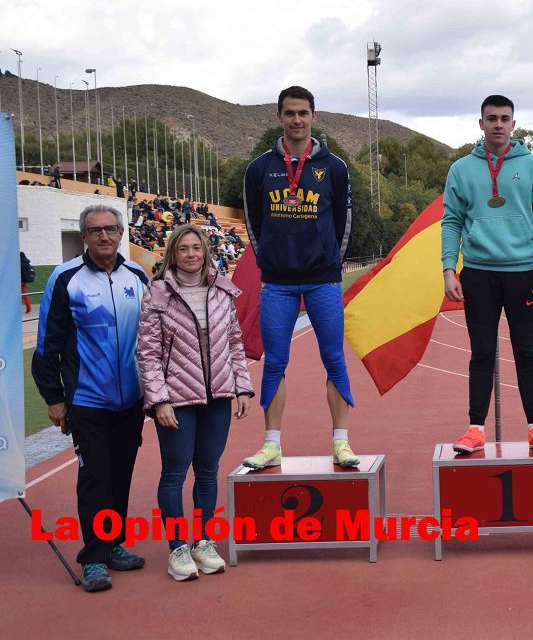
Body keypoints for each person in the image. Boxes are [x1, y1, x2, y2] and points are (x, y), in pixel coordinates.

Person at [31, 204, 150, 592]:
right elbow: (48, 346)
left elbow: (152, 338)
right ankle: (95, 557)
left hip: (131, 400)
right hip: (87, 400)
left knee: (120, 475)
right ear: (83, 237)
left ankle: (114, 544)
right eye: (96, 230)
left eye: (112, 229)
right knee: (95, 477)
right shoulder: (67, 279)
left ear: (121, 233)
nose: (105, 236)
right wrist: (54, 398)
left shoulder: (138, 275)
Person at [242, 85, 357, 470]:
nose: (296, 120)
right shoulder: (259, 168)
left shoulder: (335, 167)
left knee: (334, 358)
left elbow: (344, 221)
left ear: (313, 116)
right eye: (289, 113)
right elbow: (252, 224)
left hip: (323, 280)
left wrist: (331, 265)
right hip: (277, 283)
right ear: (279, 117)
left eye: (303, 113)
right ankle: (271, 443)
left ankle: (341, 441)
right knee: (275, 361)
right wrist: (269, 263)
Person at [441, 94, 533, 454]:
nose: (497, 124)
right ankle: (475, 428)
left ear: (513, 124)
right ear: (480, 124)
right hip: (477, 273)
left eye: (504, 118)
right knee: (481, 352)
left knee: (528, 353)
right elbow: (451, 221)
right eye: (491, 118)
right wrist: (449, 268)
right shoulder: (462, 169)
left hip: (523, 273)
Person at [137, 225, 254, 581]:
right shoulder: (158, 294)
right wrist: (159, 401)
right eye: (184, 249)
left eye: (196, 248)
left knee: (208, 470)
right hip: (177, 401)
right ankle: (177, 548)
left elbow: (234, 343)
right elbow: (148, 352)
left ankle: (203, 541)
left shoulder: (221, 291)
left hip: (218, 396)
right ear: (173, 253)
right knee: (174, 472)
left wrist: (243, 388)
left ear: (205, 251)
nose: (191, 254)